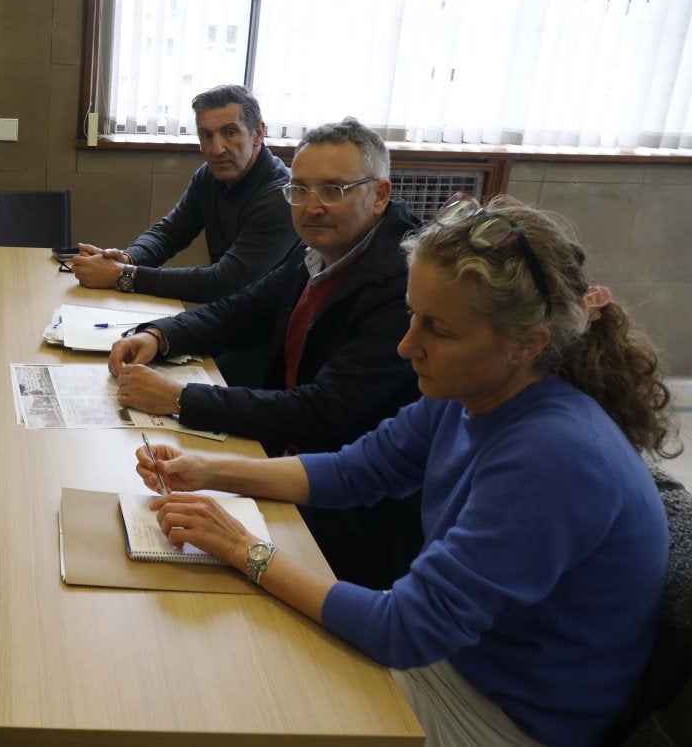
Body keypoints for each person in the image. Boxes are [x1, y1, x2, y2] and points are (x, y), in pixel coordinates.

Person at [132, 195, 677, 746]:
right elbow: (356, 471)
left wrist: (240, 547)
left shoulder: (555, 455)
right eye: (413, 315)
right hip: (453, 666)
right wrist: (206, 469)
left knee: (234, 702)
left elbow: (402, 631)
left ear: (526, 345)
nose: (407, 344)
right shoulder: (470, 390)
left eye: (438, 330)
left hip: (505, 719)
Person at [109, 117, 422, 588]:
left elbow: (323, 412)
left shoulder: (402, 283)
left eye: (333, 190)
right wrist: (158, 335)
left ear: (379, 195)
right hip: (286, 464)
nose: (311, 207)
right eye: (299, 189)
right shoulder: (324, 247)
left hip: (347, 514)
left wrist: (178, 398)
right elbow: (243, 310)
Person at [70, 84, 295, 302]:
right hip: (227, 314)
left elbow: (224, 282)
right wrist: (127, 258)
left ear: (258, 134)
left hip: (266, 328)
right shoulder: (209, 176)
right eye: (207, 135)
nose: (216, 149)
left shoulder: (281, 195)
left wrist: (123, 275)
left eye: (230, 132)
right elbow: (169, 233)